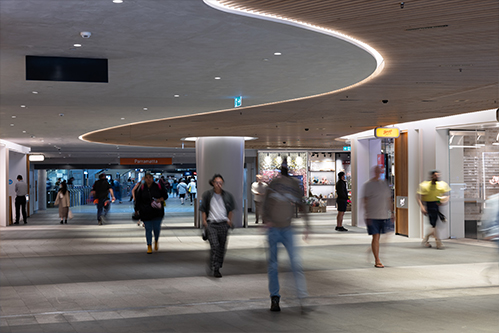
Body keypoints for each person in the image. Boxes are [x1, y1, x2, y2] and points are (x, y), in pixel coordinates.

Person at [262, 159, 310, 312]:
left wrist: (307, 225)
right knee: (273, 265)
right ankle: (274, 298)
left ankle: (302, 298)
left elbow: (301, 204)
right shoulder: (274, 184)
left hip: (287, 228)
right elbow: (265, 204)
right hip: (274, 229)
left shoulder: (294, 185)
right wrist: (266, 220)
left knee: (295, 264)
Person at [200, 174, 236, 278]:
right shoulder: (207, 195)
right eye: (217, 182)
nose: (219, 184)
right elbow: (203, 209)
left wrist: (229, 221)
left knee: (221, 247)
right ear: (212, 183)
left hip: (223, 224)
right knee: (215, 246)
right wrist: (204, 221)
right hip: (211, 223)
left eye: (220, 183)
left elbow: (231, 210)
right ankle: (214, 266)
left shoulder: (227, 195)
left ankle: (217, 267)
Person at [362, 165, 394, 268]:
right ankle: (377, 259)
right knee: (376, 236)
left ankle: (372, 249)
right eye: (377, 171)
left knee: (386, 235)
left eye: (380, 171)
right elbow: (365, 200)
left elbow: (389, 199)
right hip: (373, 215)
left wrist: (392, 212)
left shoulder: (384, 184)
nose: (378, 173)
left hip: (384, 215)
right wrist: (366, 214)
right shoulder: (368, 185)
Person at [135, 172, 168, 254]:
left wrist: (160, 199)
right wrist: (136, 210)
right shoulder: (141, 188)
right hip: (145, 212)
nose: (148, 179)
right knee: (148, 229)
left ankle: (156, 240)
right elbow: (138, 199)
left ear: (153, 178)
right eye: (147, 177)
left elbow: (165, 196)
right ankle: (149, 245)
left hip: (157, 211)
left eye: (150, 177)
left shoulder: (158, 187)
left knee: (156, 228)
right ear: (144, 179)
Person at [417, 170, 451, 249]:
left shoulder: (442, 185)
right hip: (429, 204)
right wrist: (422, 206)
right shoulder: (425, 185)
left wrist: (444, 200)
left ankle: (427, 238)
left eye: (438, 175)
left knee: (434, 224)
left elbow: (446, 195)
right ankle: (437, 241)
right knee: (433, 224)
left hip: (437, 205)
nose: (437, 177)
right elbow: (419, 196)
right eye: (435, 175)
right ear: (432, 176)